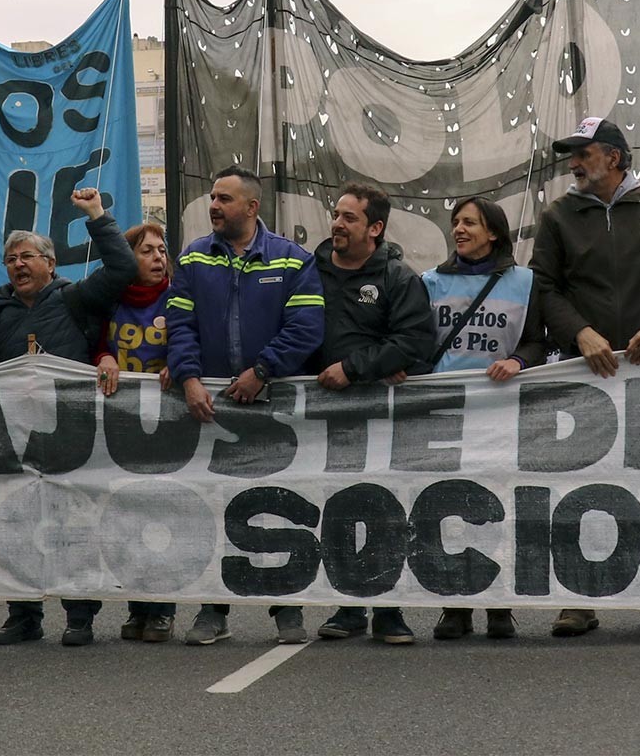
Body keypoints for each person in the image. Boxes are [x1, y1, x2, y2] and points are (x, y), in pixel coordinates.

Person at [531, 115, 640, 637]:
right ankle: (578, 598)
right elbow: (544, 288)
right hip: (586, 376)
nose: (574, 163)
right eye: (572, 154)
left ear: (615, 158)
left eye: (583, 153)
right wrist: (580, 333)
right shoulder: (558, 215)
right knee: (581, 487)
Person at [0, 187, 136, 647]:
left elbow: (122, 268)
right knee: (16, 525)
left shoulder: (76, 298)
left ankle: (80, 615)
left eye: (27, 257)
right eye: (11, 259)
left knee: (74, 526)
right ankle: (23, 614)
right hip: (18, 437)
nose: (18, 265)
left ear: (51, 264)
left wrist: (97, 215)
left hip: (72, 434)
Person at [167, 166, 325, 647]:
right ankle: (213, 611)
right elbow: (179, 325)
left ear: (252, 207)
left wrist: (262, 372)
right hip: (209, 409)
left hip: (273, 406)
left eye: (224, 199)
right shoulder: (193, 257)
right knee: (213, 509)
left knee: (280, 508)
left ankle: (287, 611)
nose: (213, 205)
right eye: (212, 198)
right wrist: (190, 378)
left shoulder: (295, 260)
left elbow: (306, 328)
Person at [312, 184, 434, 647]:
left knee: (385, 507)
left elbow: (415, 342)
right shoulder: (308, 272)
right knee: (336, 507)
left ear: (375, 228)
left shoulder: (400, 279)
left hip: (382, 417)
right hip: (322, 416)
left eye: (349, 218)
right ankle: (347, 605)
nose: (337, 224)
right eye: (336, 215)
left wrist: (354, 368)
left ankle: (389, 609)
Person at [421, 195, 538, 642]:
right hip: (446, 409)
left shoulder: (525, 282)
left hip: (502, 409)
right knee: (447, 504)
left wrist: (519, 362)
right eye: (455, 222)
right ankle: (455, 605)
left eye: (469, 222)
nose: (459, 229)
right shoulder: (430, 281)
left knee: (498, 505)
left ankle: (498, 605)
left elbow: (535, 338)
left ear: (494, 232)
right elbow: (417, 341)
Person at [93, 220, 178, 643]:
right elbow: (90, 337)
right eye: (147, 251)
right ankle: (137, 606)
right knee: (127, 518)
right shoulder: (109, 301)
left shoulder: (178, 297)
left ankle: (162, 609)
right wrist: (104, 354)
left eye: (162, 250)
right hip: (121, 425)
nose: (159, 257)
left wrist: (179, 360)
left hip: (169, 427)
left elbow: (193, 337)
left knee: (160, 516)